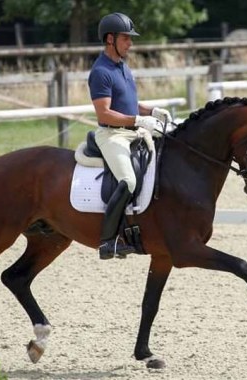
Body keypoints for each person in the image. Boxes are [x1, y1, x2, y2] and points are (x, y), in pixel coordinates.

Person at [88, 12, 173, 260]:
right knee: (129, 180)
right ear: (110, 39)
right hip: (112, 134)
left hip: (132, 131)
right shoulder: (100, 71)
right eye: (126, 38)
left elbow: (129, 104)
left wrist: (151, 111)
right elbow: (104, 113)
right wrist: (138, 120)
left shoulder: (122, 67)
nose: (130, 44)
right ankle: (108, 241)